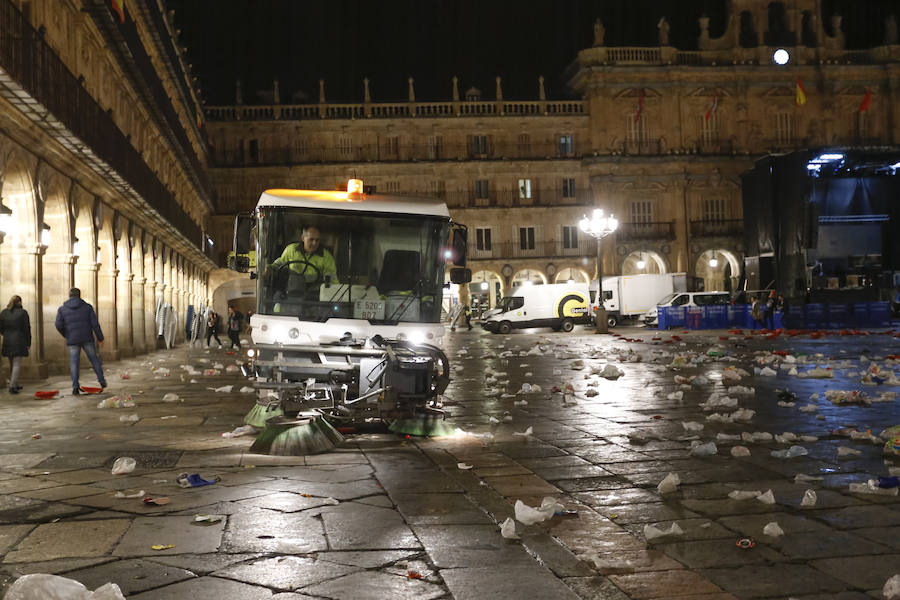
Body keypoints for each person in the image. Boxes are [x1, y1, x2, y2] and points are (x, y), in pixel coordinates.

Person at [55, 288, 106, 395]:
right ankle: (102, 381)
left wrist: (67, 335)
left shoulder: (62, 309)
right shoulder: (87, 307)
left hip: (72, 339)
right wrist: (100, 338)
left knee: (74, 363)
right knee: (94, 360)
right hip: (87, 338)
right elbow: (95, 324)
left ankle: (75, 387)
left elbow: (58, 325)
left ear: (69, 295)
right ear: (79, 295)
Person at [0, 296, 30, 394]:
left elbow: (1, 328)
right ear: (20, 302)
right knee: (17, 364)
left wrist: (6, 334)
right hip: (19, 340)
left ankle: (15, 383)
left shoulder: (4, 312)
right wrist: (28, 342)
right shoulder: (23, 313)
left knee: (12, 363)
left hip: (7, 340)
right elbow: (27, 328)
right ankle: (12, 386)